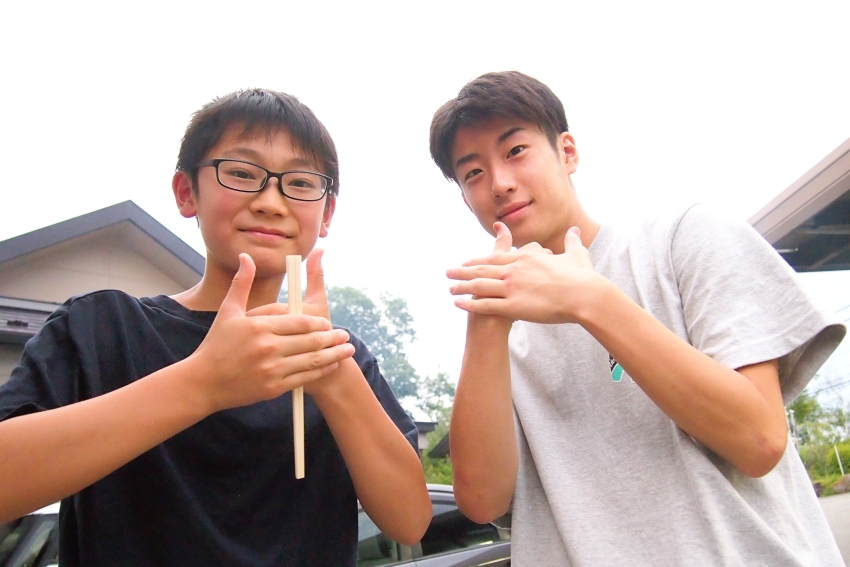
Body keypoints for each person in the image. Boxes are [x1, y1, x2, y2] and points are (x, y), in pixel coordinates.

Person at [430, 71, 846, 566]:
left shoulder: (684, 238)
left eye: (516, 150)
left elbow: (758, 440)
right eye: (473, 173)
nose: (500, 183)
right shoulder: (499, 337)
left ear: (567, 152)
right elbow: (482, 501)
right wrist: (485, 322)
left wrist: (591, 301)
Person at [0, 88, 431, 566]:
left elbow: (409, 521)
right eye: (242, 173)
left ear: (326, 212)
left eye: (300, 183)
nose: (271, 202)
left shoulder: (343, 358)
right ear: (187, 193)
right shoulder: (101, 329)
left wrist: (332, 375)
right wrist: (203, 383)